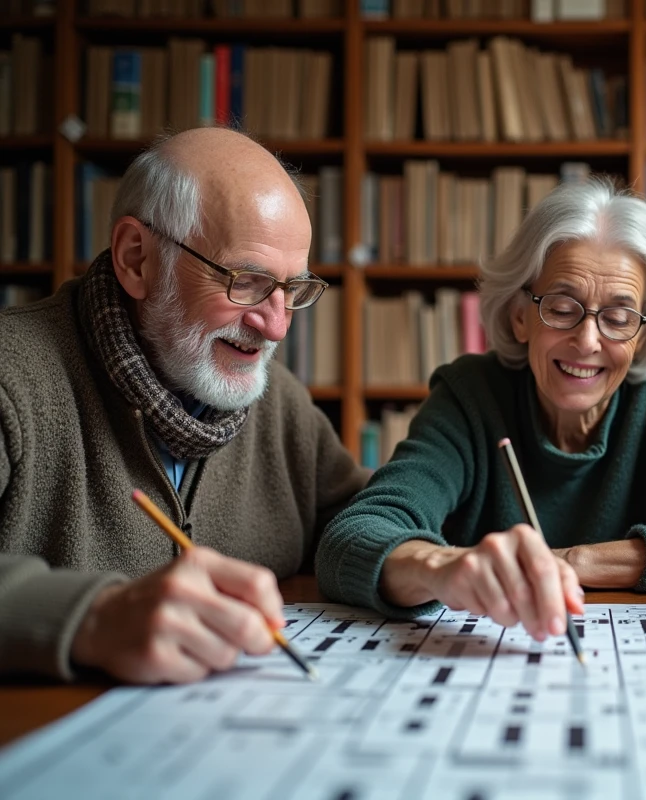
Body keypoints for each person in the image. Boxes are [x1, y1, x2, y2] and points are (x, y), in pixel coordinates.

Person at [0, 128, 370, 684]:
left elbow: (363, 519)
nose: (276, 325)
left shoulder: (281, 403)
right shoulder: (12, 377)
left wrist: (425, 557)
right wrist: (93, 619)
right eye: (247, 281)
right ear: (136, 259)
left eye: (292, 289)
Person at [317, 180, 646, 638]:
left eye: (619, 318)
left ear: (642, 333)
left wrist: (570, 560)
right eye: (563, 308)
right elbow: (350, 539)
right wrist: (441, 567)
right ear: (520, 315)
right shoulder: (472, 395)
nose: (587, 341)